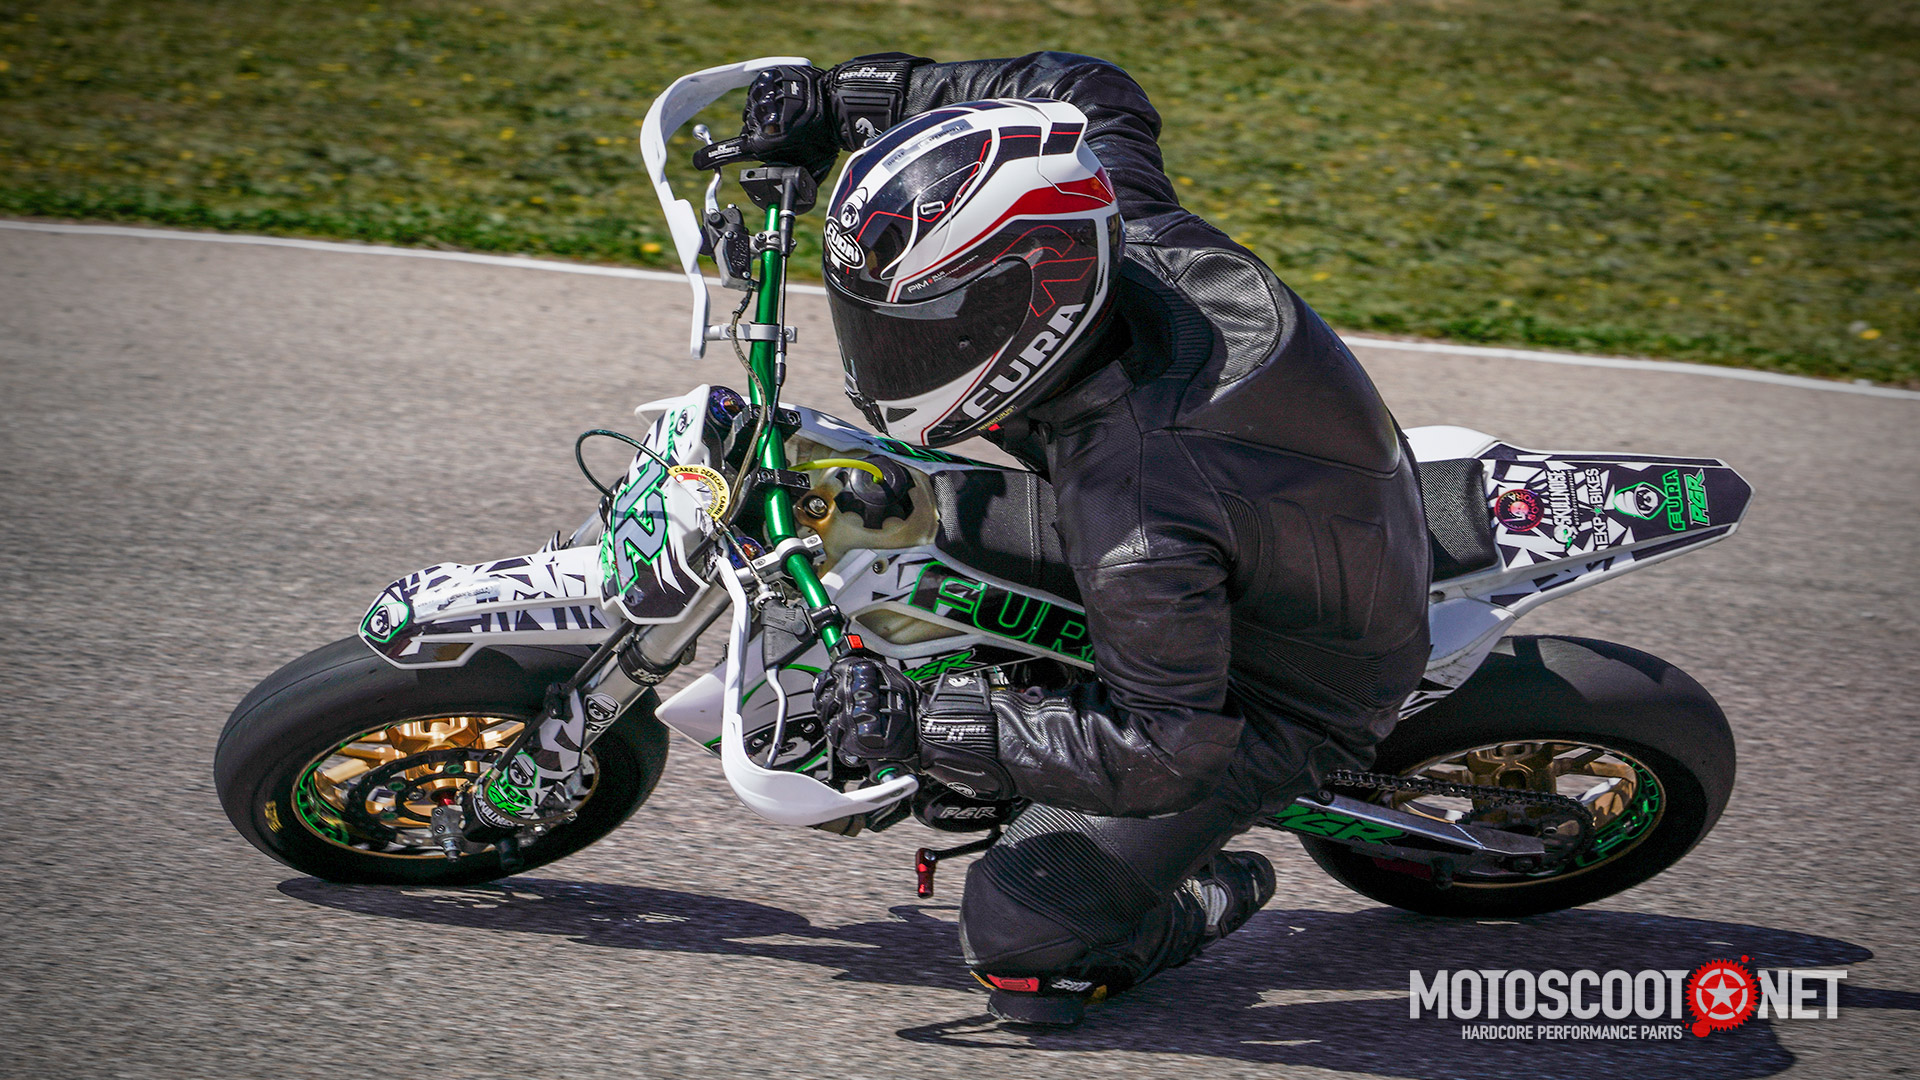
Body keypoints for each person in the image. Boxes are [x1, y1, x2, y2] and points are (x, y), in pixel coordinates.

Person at [708, 52, 1432, 1027]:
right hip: (1261, 524)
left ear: (1028, 307)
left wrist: (929, 726)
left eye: (924, 328)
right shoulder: (1113, 222)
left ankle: (1202, 895)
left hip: (1275, 690)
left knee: (1019, 946)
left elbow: (1169, 748)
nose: (888, 353)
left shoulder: (1139, 516)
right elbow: (1092, 92)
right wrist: (858, 96)